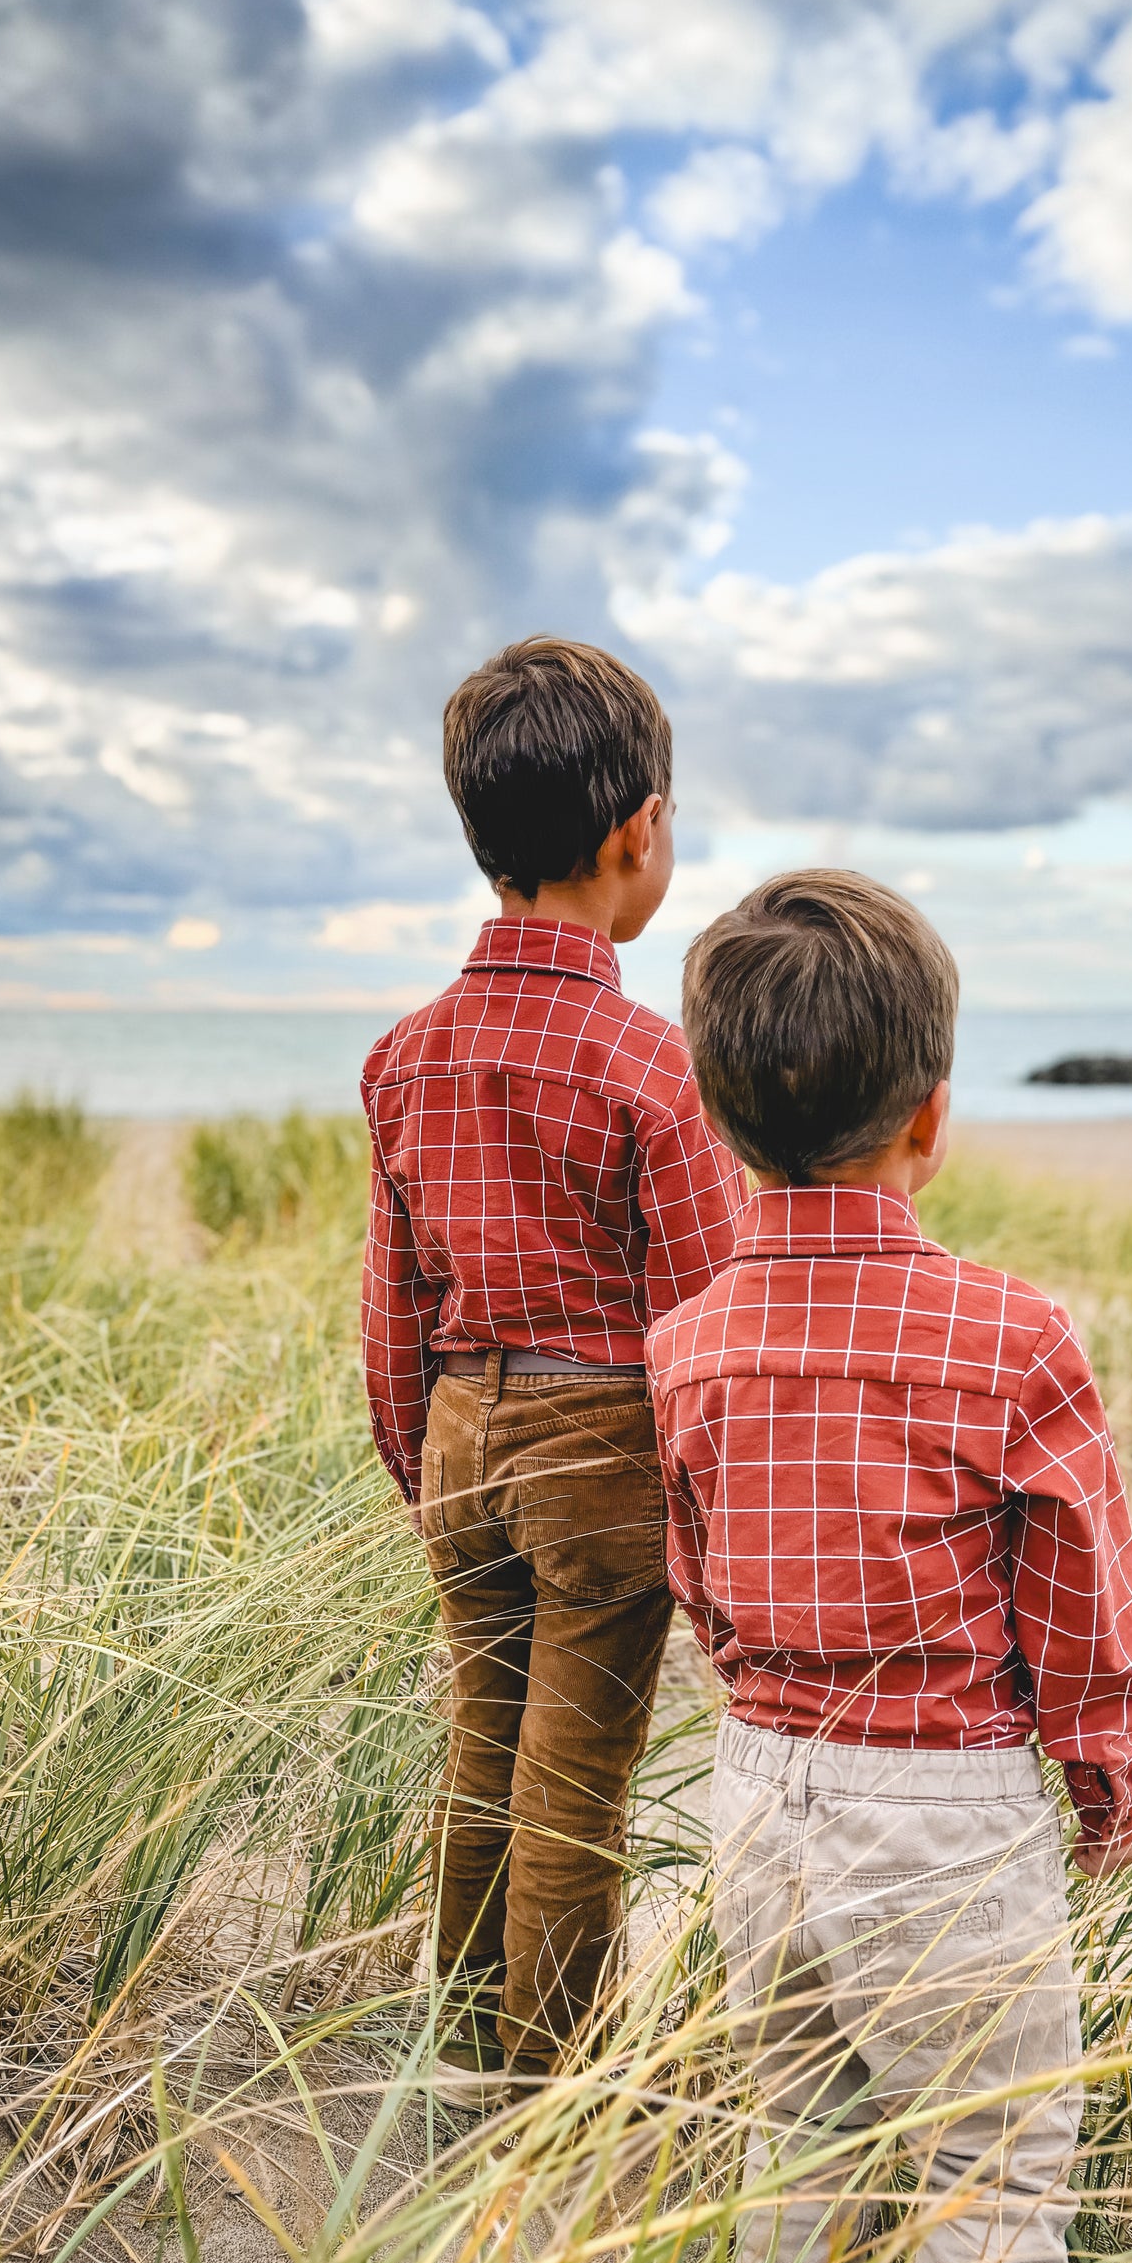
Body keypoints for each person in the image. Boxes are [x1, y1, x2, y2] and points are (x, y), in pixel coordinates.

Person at [644, 870, 1132, 2263]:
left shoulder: (690, 1339)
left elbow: (699, 1575)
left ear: (722, 1122)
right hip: (939, 1812)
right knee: (988, 2166)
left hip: (757, 1788)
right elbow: (1079, 1598)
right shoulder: (1009, 1338)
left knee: (792, 2129)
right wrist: (1106, 1771)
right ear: (929, 1115)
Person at [362, 636, 745, 2111]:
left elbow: (392, 1312)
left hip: (461, 1429)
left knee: (484, 1742)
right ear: (635, 833)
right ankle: (555, 2084)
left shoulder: (408, 1058)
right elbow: (701, 1323)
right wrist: (704, 1520)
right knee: (571, 1783)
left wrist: (430, 1469)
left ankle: (465, 2048)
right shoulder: (652, 1066)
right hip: (601, 1451)